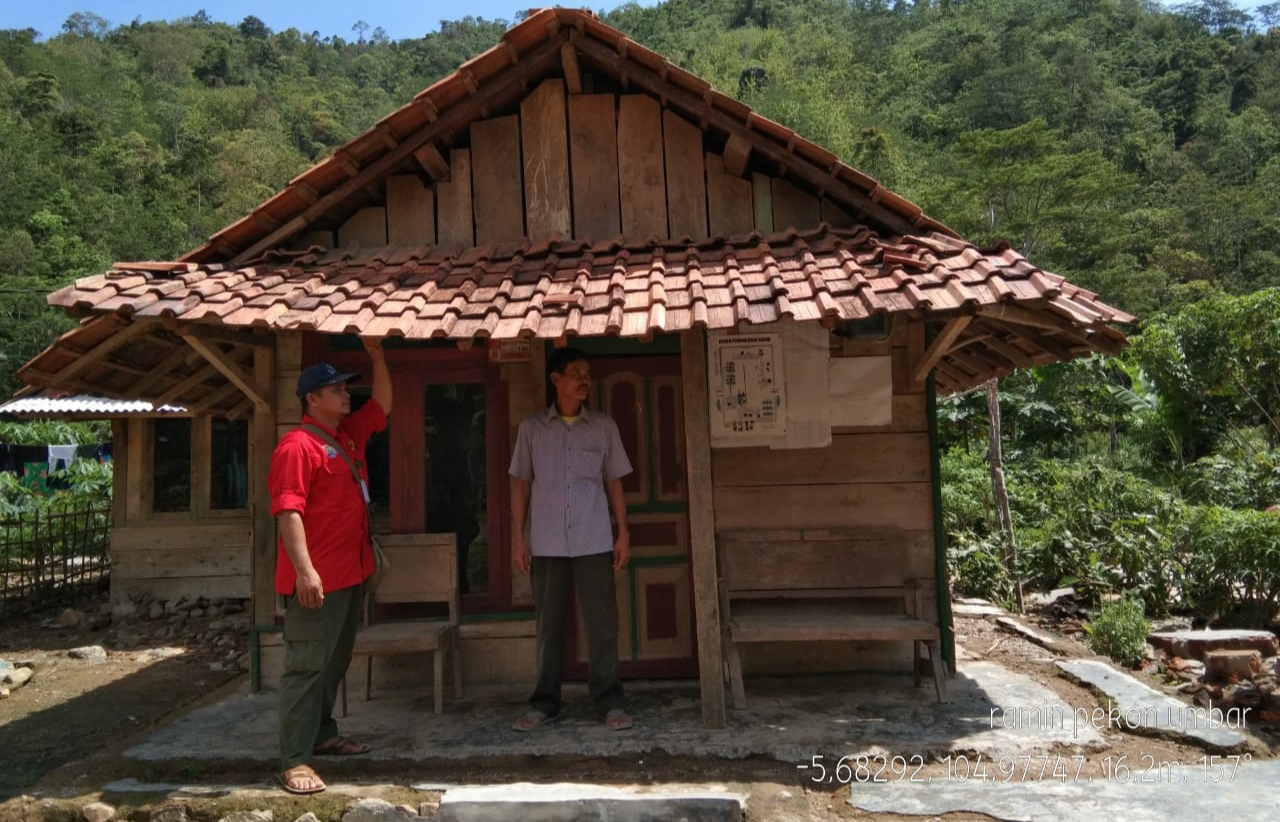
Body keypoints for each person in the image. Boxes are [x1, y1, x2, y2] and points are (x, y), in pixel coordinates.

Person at [268, 338, 391, 795]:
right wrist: (305, 571)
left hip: (349, 574)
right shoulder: (297, 447)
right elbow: (288, 511)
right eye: (336, 389)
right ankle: (294, 760)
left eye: (344, 387)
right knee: (304, 666)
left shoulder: (347, 436)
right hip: (315, 581)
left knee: (333, 662)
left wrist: (377, 354)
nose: (345, 394)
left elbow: (382, 404)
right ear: (311, 399)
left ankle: (321, 734)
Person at [508, 347, 635, 732]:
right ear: (555, 379)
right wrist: (518, 537)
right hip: (546, 542)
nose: (584, 379)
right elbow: (520, 486)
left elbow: (614, 481)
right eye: (576, 372)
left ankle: (609, 701)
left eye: (587, 372)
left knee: (601, 623)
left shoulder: (603, 427)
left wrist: (623, 531)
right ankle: (545, 703)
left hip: (594, 537)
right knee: (548, 624)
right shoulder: (531, 429)